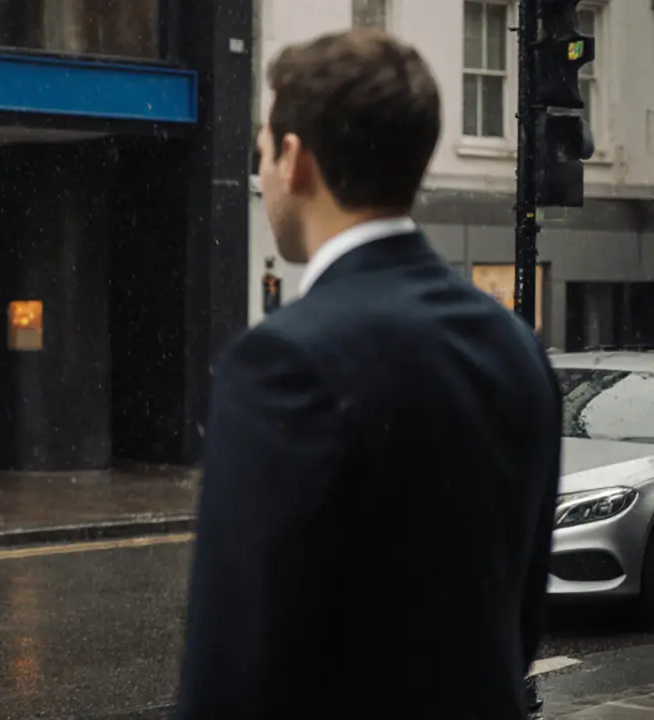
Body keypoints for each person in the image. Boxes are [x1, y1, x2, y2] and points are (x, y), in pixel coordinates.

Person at [176, 29, 561, 719]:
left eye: (262, 151)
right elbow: (520, 622)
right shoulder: (514, 346)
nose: (261, 172)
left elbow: (231, 671)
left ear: (295, 160)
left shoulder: (281, 363)